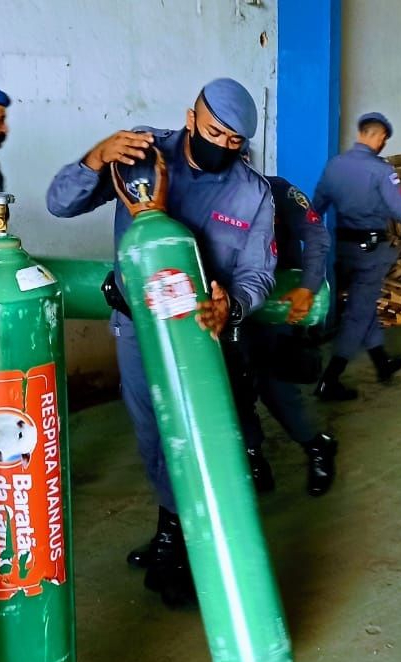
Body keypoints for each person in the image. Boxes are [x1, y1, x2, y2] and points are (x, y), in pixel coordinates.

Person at [46, 78, 275, 608]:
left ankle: (190, 547)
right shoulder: (140, 153)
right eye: (214, 132)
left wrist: (233, 305)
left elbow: (257, 275)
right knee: (154, 436)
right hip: (138, 328)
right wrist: (96, 158)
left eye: (235, 141)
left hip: (202, 334)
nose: (223, 146)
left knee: (197, 439)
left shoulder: (252, 193)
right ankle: (172, 528)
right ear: (190, 118)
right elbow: (59, 204)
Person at [312, 112, 401, 401]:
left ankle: (382, 362)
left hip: (343, 249)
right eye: (383, 139)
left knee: (363, 305)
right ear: (376, 136)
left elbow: (316, 206)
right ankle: (330, 380)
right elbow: (400, 208)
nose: (383, 144)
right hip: (371, 252)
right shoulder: (381, 170)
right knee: (359, 313)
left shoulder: (335, 165)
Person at [236, 173, 337, 497]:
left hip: (275, 303)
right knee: (235, 388)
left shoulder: (277, 191)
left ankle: (316, 445)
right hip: (229, 306)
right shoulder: (201, 195)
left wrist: (308, 286)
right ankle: (253, 457)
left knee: (276, 386)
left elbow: (316, 236)